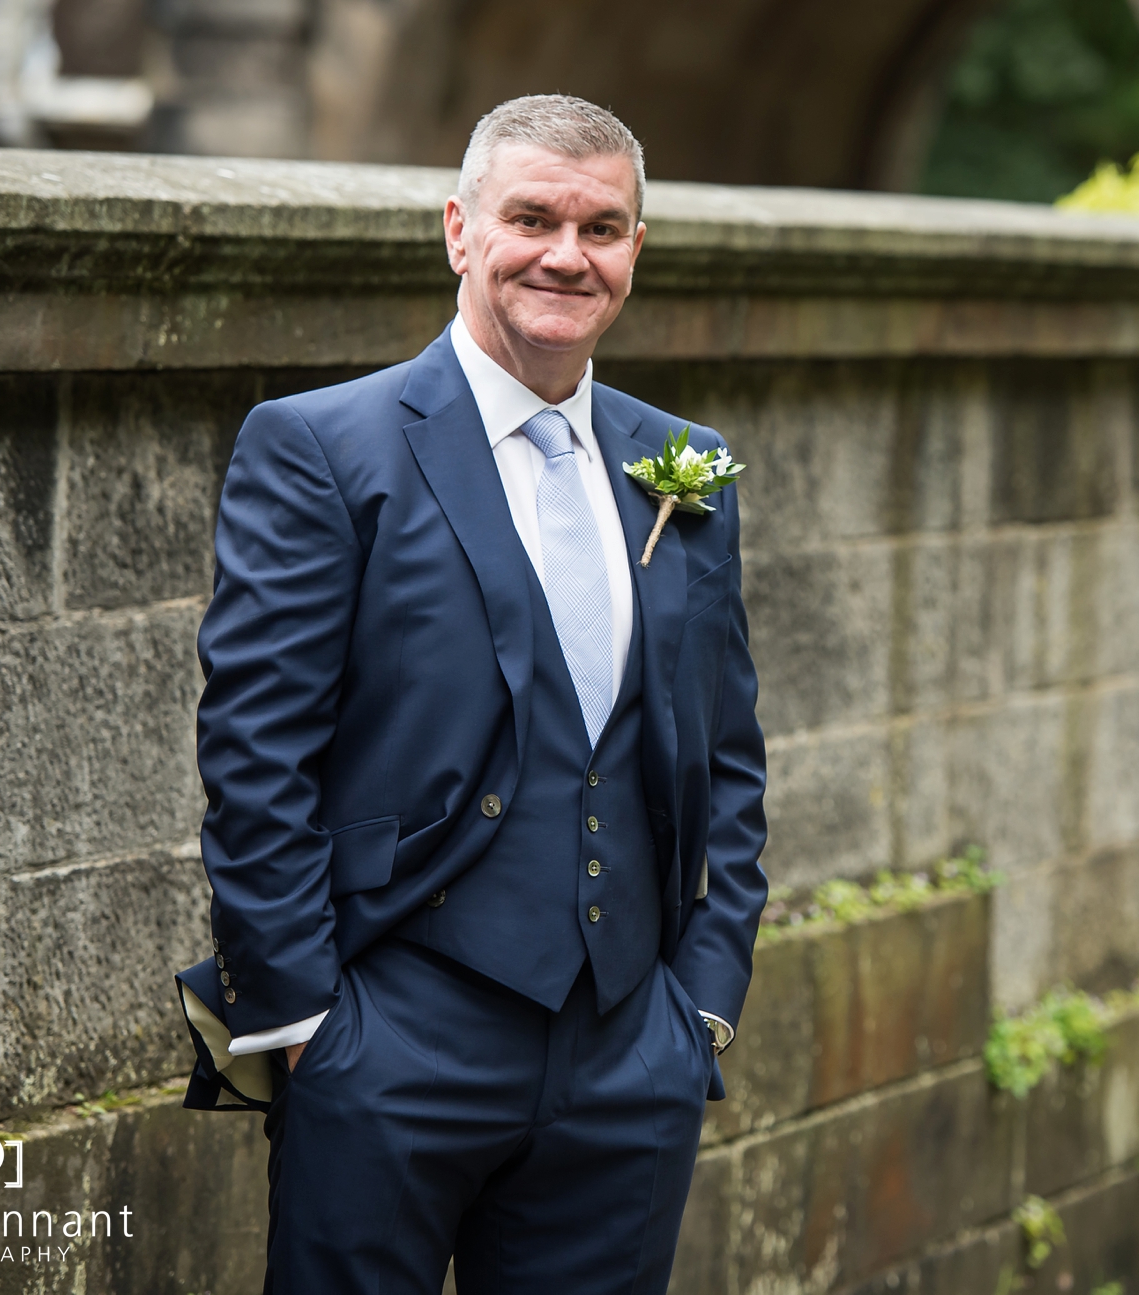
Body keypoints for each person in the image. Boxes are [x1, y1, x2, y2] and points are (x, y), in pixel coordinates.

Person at [173, 94, 769, 1294]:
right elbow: (254, 752)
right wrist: (304, 1027)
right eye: (531, 217)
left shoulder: (682, 468)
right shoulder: (323, 447)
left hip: (628, 1054)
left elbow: (729, 751)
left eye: (601, 227)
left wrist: (699, 1007)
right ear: (459, 230)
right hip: (388, 1039)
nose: (565, 252)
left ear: (634, 252)